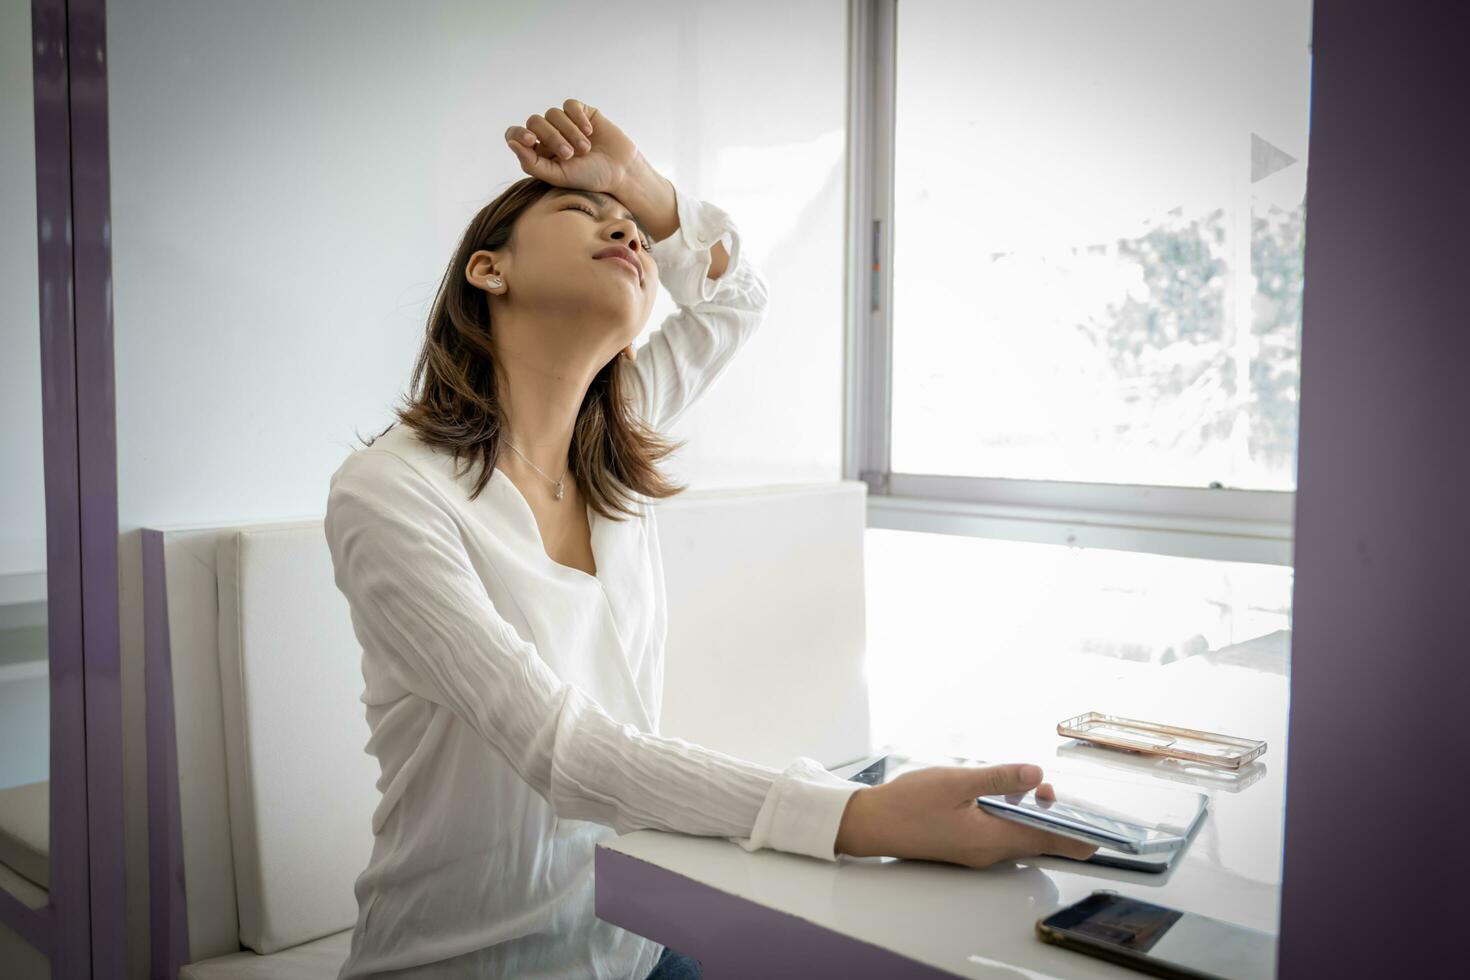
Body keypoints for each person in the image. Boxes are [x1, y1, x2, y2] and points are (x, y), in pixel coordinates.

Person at [324, 99, 1095, 980]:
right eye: (585, 214)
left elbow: (737, 297)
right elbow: (561, 749)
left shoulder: (609, 445)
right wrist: (860, 816)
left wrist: (638, 184)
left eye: (635, 235)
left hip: (636, 931)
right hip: (472, 957)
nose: (626, 233)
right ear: (489, 270)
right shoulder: (390, 491)